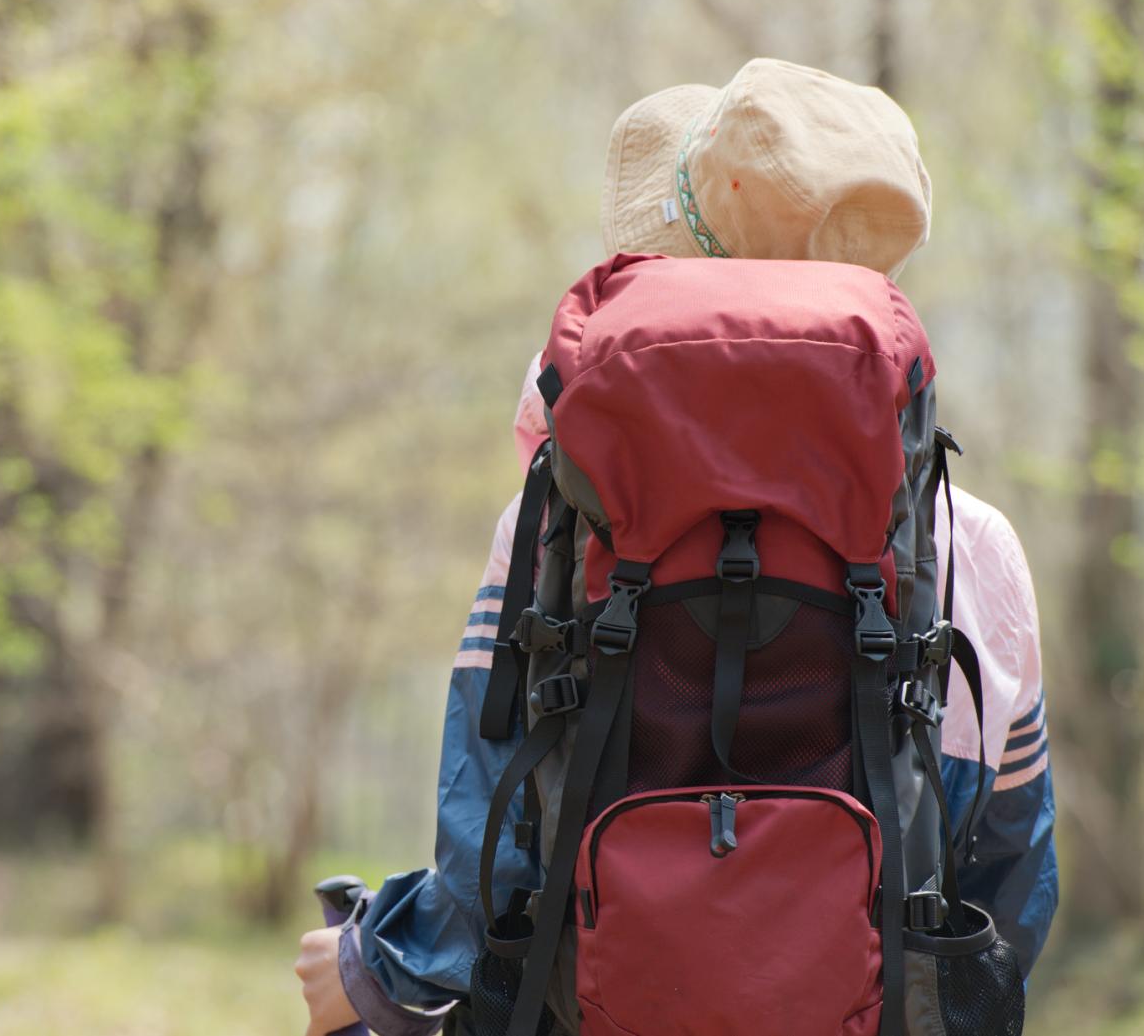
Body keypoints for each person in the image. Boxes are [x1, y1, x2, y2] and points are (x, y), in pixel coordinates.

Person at [295, 58, 1058, 1036]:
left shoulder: (563, 512)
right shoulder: (972, 545)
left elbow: (481, 848)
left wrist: (367, 972)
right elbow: (1008, 882)